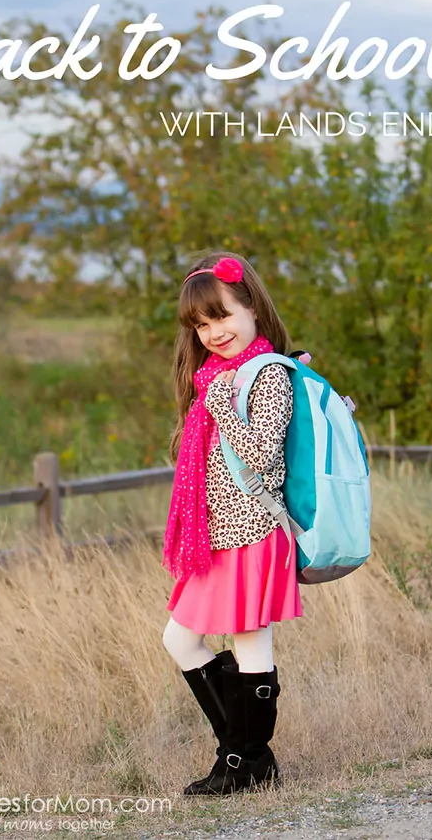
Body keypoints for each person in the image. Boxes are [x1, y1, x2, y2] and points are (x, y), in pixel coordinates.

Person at [161, 250, 303, 797]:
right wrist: (214, 396)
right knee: (180, 638)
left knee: (250, 643)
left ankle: (241, 763)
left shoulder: (267, 376)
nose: (212, 332)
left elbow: (263, 454)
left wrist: (221, 402)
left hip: (254, 534)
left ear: (253, 310)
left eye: (221, 316)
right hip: (215, 538)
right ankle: (247, 757)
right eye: (201, 324)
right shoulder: (215, 378)